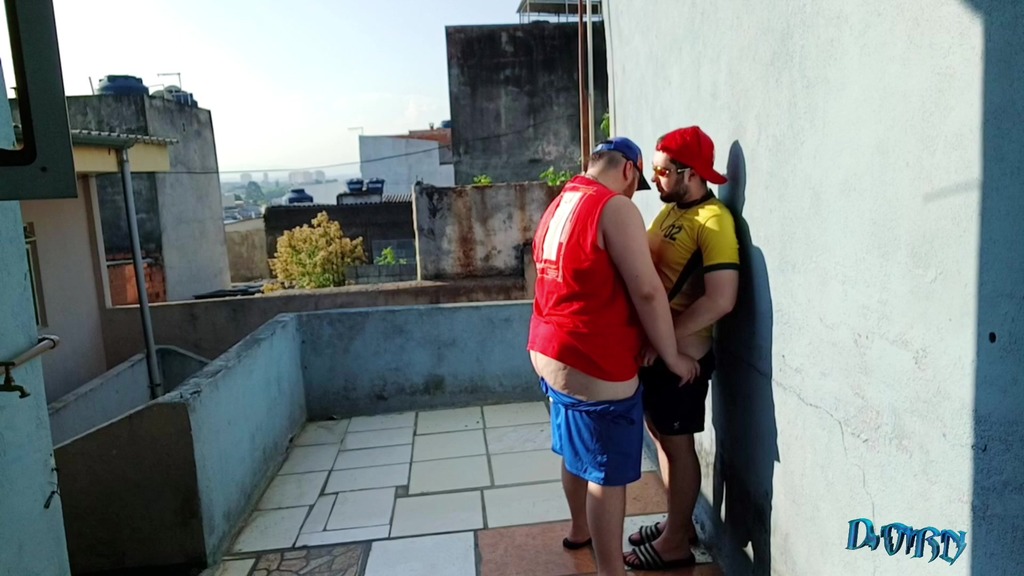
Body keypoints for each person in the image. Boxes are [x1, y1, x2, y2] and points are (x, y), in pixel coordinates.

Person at [528, 137, 700, 576]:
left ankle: (579, 529)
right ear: (628, 169)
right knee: (605, 473)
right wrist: (672, 356)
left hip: (548, 348)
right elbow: (647, 291)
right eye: (636, 183)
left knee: (575, 451)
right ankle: (611, 570)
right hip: (592, 360)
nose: (633, 194)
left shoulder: (561, 201)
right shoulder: (614, 207)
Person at [624, 126, 740, 571]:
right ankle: (680, 524)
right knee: (662, 438)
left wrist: (666, 340)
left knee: (678, 445)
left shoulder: (714, 221)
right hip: (659, 352)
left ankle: (674, 543)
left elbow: (722, 299)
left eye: (662, 171)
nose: (653, 178)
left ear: (690, 173)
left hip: (682, 359)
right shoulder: (672, 211)